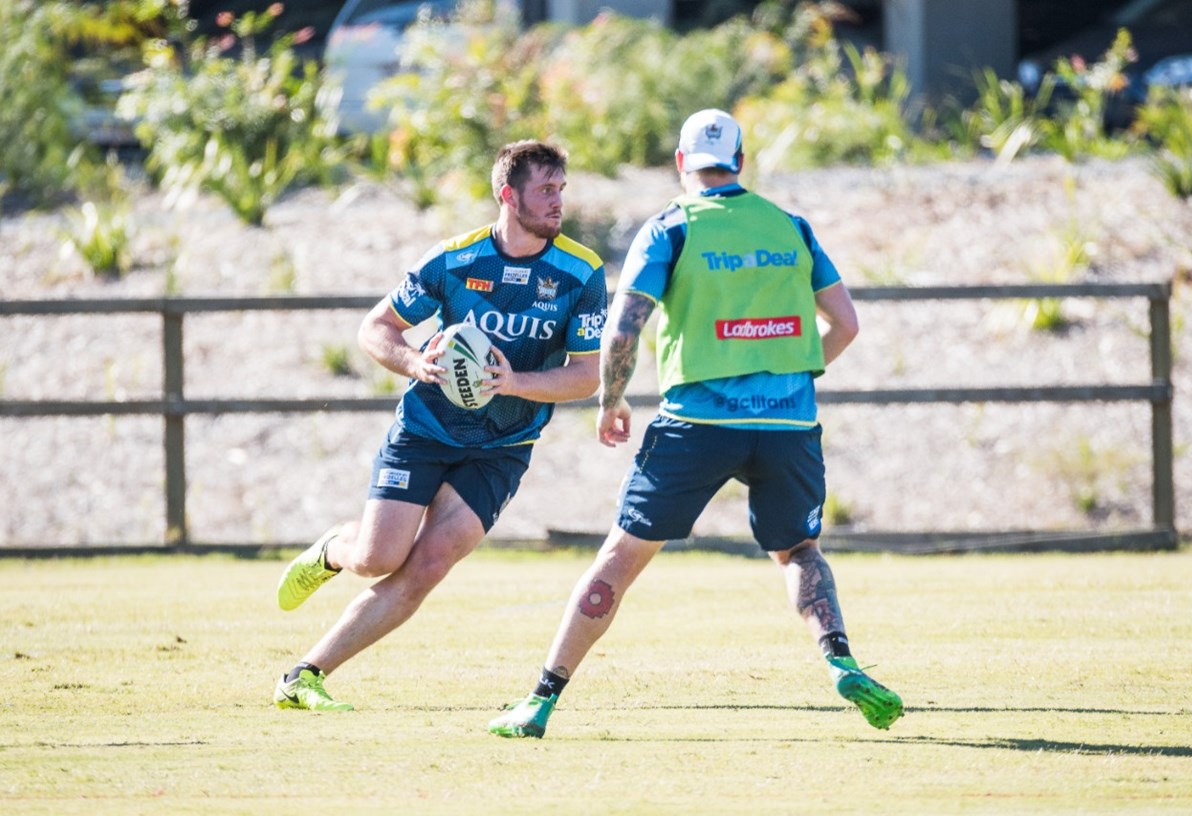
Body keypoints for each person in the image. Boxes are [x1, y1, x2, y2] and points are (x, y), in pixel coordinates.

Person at [488, 110, 902, 738]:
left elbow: (625, 325)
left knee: (619, 560)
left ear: (682, 163)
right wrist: (791, 374)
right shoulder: (790, 227)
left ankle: (541, 699)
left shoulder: (671, 227)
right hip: (789, 423)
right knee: (799, 551)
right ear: (740, 162)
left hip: (696, 423)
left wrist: (611, 399)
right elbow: (845, 324)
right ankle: (840, 660)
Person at [273, 140, 608, 711]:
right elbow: (376, 328)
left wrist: (513, 383)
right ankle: (335, 548)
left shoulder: (581, 272)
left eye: (561, 189)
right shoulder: (455, 260)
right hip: (426, 430)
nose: (558, 201)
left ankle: (303, 675)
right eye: (545, 190)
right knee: (378, 558)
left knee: (428, 564)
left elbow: (585, 375)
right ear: (508, 196)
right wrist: (414, 363)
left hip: (503, 446)